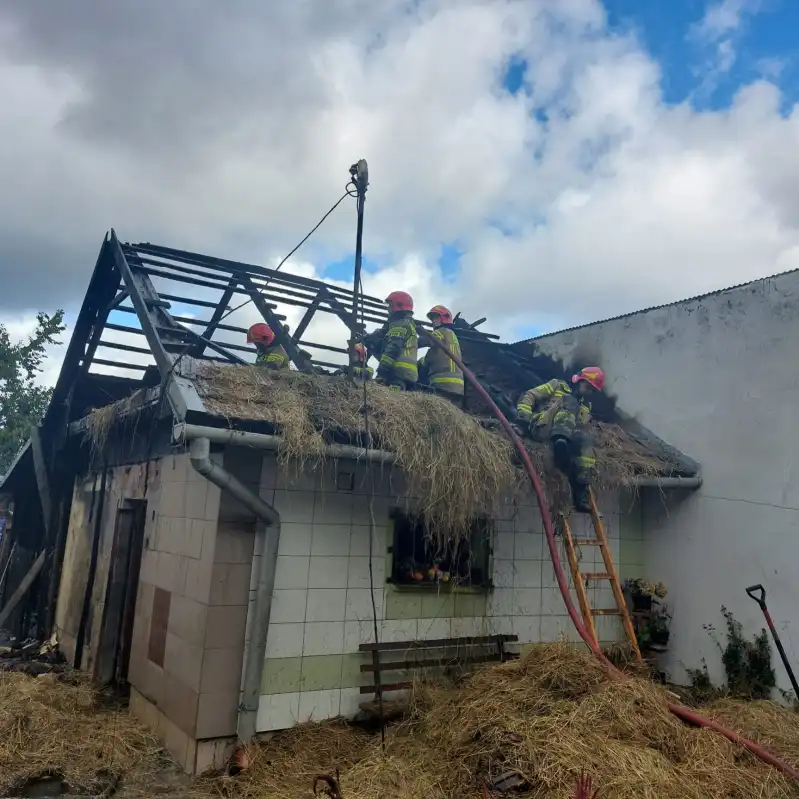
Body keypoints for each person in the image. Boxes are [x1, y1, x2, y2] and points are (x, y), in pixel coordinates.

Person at [516, 367, 605, 513]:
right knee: (570, 401)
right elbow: (530, 395)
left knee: (589, 440)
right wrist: (523, 419)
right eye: (588, 386)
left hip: (568, 438)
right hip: (542, 428)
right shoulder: (557, 385)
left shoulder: (585, 406)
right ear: (579, 381)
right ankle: (560, 438)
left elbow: (581, 428)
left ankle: (580, 491)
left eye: (592, 390)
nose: (589, 391)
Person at [365, 291, 418, 390]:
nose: (388, 309)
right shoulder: (407, 324)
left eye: (390, 305)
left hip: (399, 373)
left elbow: (393, 347)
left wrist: (381, 372)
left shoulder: (400, 324)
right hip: (405, 374)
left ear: (399, 306)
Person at [418, 305, 464, 400]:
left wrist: (409, 339)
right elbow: (431, 358)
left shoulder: (442, 331)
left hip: (442, 383)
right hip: (457, 387)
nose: (433, 321)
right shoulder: (451, 336)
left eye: (436, 317)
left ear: (444, 318)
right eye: (432, 318)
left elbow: (425, 340)